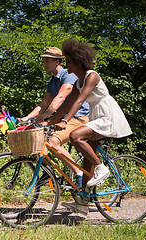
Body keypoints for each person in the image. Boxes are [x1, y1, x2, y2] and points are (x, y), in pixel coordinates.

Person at [48, 38, 132, 190]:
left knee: (75, 136)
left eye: (69, 62)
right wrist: (48, 122)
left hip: (107, 115)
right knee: (87, 162)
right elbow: (67, 105)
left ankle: (101, 168)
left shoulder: (91, 76)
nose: (66, 66)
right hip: (96, 116)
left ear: (79, 62)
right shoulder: (77, 82)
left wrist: (65, 121)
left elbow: (79, 101)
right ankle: (84, 202)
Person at [21, 47, 89, 188]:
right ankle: (48, 172)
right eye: (44, 61)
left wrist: (46, 115)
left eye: (47, 61)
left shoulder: (67, 75)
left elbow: (61, 96)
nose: (44, 64)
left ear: (57, 61)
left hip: (79, 117)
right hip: (63, 118)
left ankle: (78, 173)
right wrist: (26, 118)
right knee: (38, 140)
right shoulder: (52, 82)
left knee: (52, 142)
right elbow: (44, 104)